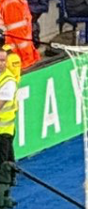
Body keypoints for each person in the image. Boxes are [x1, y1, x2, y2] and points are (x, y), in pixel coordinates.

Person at [0, 40, 19, 208]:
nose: (2, 63)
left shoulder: (8, 81)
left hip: (4, 132)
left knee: (3, 168)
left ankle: (3, 200)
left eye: (3, 60)